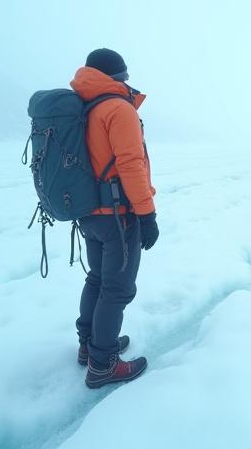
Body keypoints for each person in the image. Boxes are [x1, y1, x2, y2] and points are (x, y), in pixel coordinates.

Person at [70, 48, 159, 388]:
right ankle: (103, 364)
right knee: (117, 289)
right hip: (117, 216)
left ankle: (89, 345)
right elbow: (131, 165)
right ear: (118, 75)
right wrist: (147, 214)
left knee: (97, 279)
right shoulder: (118, 109)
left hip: (88, 212)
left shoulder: (85, 105)